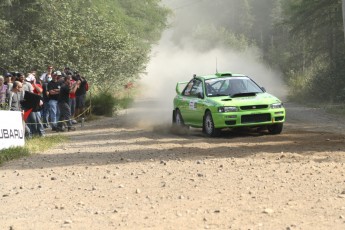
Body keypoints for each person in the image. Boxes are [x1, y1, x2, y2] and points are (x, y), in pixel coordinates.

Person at [25, 73, 45, 137]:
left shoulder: (37, 85)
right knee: (31, 120)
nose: (29, 81)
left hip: (36, 105)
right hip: (29, 105)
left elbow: (40, 91)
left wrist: (34, 84)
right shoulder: (26, 85)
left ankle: (41, 133)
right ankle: (34, 133)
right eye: (28, 80)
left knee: (38, 120)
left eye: (30, 80)